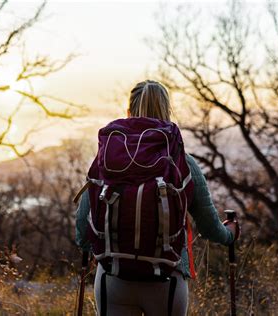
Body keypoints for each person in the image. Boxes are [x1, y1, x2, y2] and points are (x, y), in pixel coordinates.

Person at [75, 80, 239, 315]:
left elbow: (82, 228)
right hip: (167, 281)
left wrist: (96, 244)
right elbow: (210, 227)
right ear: (167, 111)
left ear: (129, 112)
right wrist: (230, 234)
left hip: (112, 278)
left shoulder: (107, 160)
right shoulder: (183, 162)